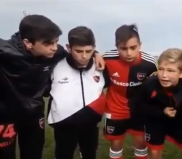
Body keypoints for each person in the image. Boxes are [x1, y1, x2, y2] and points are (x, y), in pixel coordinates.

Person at [0, 15, 104, 159]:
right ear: (28, 43)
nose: (54, 47)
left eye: (56, 42)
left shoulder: (57, 52)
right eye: (49, 44)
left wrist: (97, 54)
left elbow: (79, 51)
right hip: (5, 116)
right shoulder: (5, 51)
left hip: (34, 114)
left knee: (34, 154)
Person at [47, 26, 107, 159]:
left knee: (90, 154)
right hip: (64, 124)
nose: (84, 56)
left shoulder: (101, 66)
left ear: (94, 47)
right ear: (69, 48)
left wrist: (97, 54)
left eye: (89, 51)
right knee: (64, 155)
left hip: (91, 123)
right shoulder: (55, 65)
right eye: (78, 51)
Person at [133, 48, 182, 159]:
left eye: (170, 71)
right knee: (155, 154)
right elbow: (139, 106)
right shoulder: (150, 84)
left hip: (180, 121)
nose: (164, 75)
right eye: (161, 69)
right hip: (155, 121)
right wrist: (161, 112)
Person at [102, 24, 157, 159]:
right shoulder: (107, 59)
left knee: (140, 143)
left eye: (133, 48)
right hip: (115, 110)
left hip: (139, 110)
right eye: (123, 48)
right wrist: (96, 55)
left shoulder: (150, 63)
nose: (129, 53)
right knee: (116, 143)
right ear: (117, 47)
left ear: (140, 45)